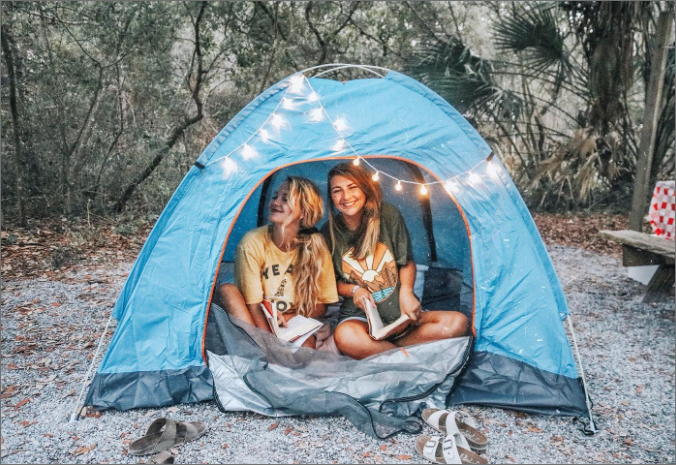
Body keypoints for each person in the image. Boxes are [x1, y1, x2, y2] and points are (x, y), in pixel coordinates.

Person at [321, 162, 469, 359]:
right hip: (361, 320)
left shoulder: (388, 215)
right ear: (331, 197)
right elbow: (330, 283)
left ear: (365, 188)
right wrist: (354, 290)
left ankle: (382, 351)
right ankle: (407, 359)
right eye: (337, 191)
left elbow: (405, 261)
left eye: (352, 187)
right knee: (345, 337)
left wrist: (407, 293)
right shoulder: (328, 232)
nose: (346, 197)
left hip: (399, 316)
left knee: (457, 323)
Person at [214, 176, 338, 349]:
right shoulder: (252, 242)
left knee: (306, 351)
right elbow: (254, 306)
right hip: (254, 319)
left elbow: (321, 306)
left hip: (290, 321)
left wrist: (290, 317)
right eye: (275, 196)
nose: (276, 202)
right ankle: (263, 350)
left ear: (303, 211)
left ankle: (271, 353)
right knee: (227, 290)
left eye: (285, 199)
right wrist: (271, 344)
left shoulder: (316, 247)